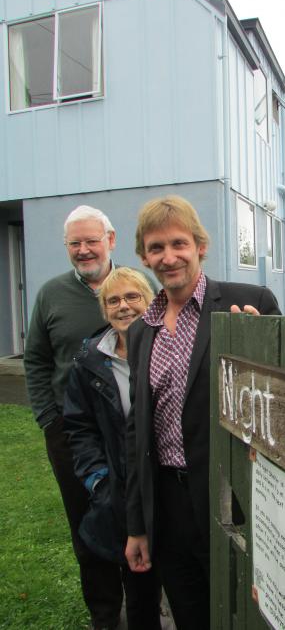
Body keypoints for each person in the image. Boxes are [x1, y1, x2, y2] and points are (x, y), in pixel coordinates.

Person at [124, 195, 281, 630]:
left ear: (200, 246)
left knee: (243, 611)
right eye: (156, 248)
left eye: (179, 244)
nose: (168, 257)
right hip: (168, 503)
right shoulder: (142, 331)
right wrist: (138, 524)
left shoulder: (247, 303)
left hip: (230, 495)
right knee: (191, 611)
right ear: (143, 256)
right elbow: (137, 433)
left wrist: (262, 344)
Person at [24, 206, 125, 630]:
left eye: (91, 240)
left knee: (141, 513)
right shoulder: (51, 294)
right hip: (70, 433)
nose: (84, 250)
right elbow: (36, 359)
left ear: (111, 240)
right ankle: (105, 615)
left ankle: (145, 604)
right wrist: (50, 418)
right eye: (75, 243)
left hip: (129, 428)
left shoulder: (137, 287)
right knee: (86, 522)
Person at [64, 267, 162, 630]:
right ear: (104, 309)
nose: (124, 306)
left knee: (183, 583)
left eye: (133, 297)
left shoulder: (169, 348)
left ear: (149, 302)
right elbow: (79, 425)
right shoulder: (89, 360)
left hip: (169, 485)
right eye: (113, 300)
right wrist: (99, 482)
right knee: (138, 584)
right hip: (121, 491)